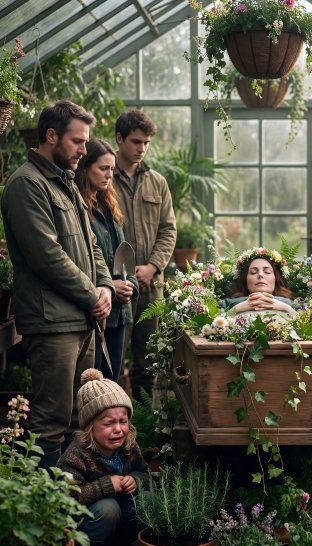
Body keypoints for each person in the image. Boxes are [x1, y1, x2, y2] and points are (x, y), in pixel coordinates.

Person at [1, 100, 114, 469]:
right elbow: (46, 256)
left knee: (76, 420)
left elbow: (92, 244)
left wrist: (106, 288)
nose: (85, 149)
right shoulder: (26, 185)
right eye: (78, 141)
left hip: (80, 319)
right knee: (51, 421)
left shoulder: (65, 183)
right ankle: (44, 509)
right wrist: (91, 296)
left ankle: (72, 501)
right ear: (51, 136)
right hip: (52, 324)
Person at [58, 368, 149, 546]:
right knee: (108, 508)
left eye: (123, 421)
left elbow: (145, 473)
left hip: (118, 515)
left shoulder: (128, 446)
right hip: (88, 522)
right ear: (90, 426)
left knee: (147, 501)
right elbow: (67, 496)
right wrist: (107, 485)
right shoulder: (77, 454)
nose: (118, 429)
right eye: (108, 424)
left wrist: (135, 481)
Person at [113, 109, 177, 398]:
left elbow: (168, 230)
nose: (142, 148)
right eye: (136, 142)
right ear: (119, 138)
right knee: (110, 362)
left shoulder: (157, 182)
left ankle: (144, 429)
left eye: (146, 143)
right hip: (113, 286)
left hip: (150, 288)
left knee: (148, 364)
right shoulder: (102, 177)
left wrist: (153, 266)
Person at [75, 138, 139, 381]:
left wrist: (129, 285)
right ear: (84, 167)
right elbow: (83, 262)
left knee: (112, 382)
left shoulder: (108, 207)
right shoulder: (79, 210)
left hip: (119, 314)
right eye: (103, 168)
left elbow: (124, 256)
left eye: (112, 169)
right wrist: (111, 286)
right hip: (96, 312)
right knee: (93, 384)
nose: (109, 175)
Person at [225, 248, 296, 317]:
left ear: (276, 279)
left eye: (267, 272)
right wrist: (236, 309)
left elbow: (304, 324)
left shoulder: (294, 305)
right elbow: (217, 326)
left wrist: (285, 308)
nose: (260, 275)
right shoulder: (227, 305)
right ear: (245, 281)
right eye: (253, 272)